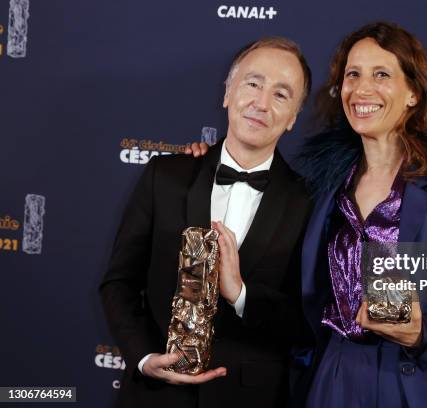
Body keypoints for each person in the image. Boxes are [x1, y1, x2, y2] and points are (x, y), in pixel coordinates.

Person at [295, 22, 427, 407]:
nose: (362, 90)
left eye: (381, 74)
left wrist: (420, 333)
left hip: (418, 378)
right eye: (352, 75)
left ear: (413, 92)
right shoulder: (327, 183)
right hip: (335, 372)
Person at [99, 37, 312, 408]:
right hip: (155, 398)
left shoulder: (308, 202)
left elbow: (306, 318)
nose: (261, 103)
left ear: (294, 116)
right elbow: (119, 282)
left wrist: (241, 295)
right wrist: (146, 359)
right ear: (228, 93)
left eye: (281, 95)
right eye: (253, 84)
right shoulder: (165, 176)